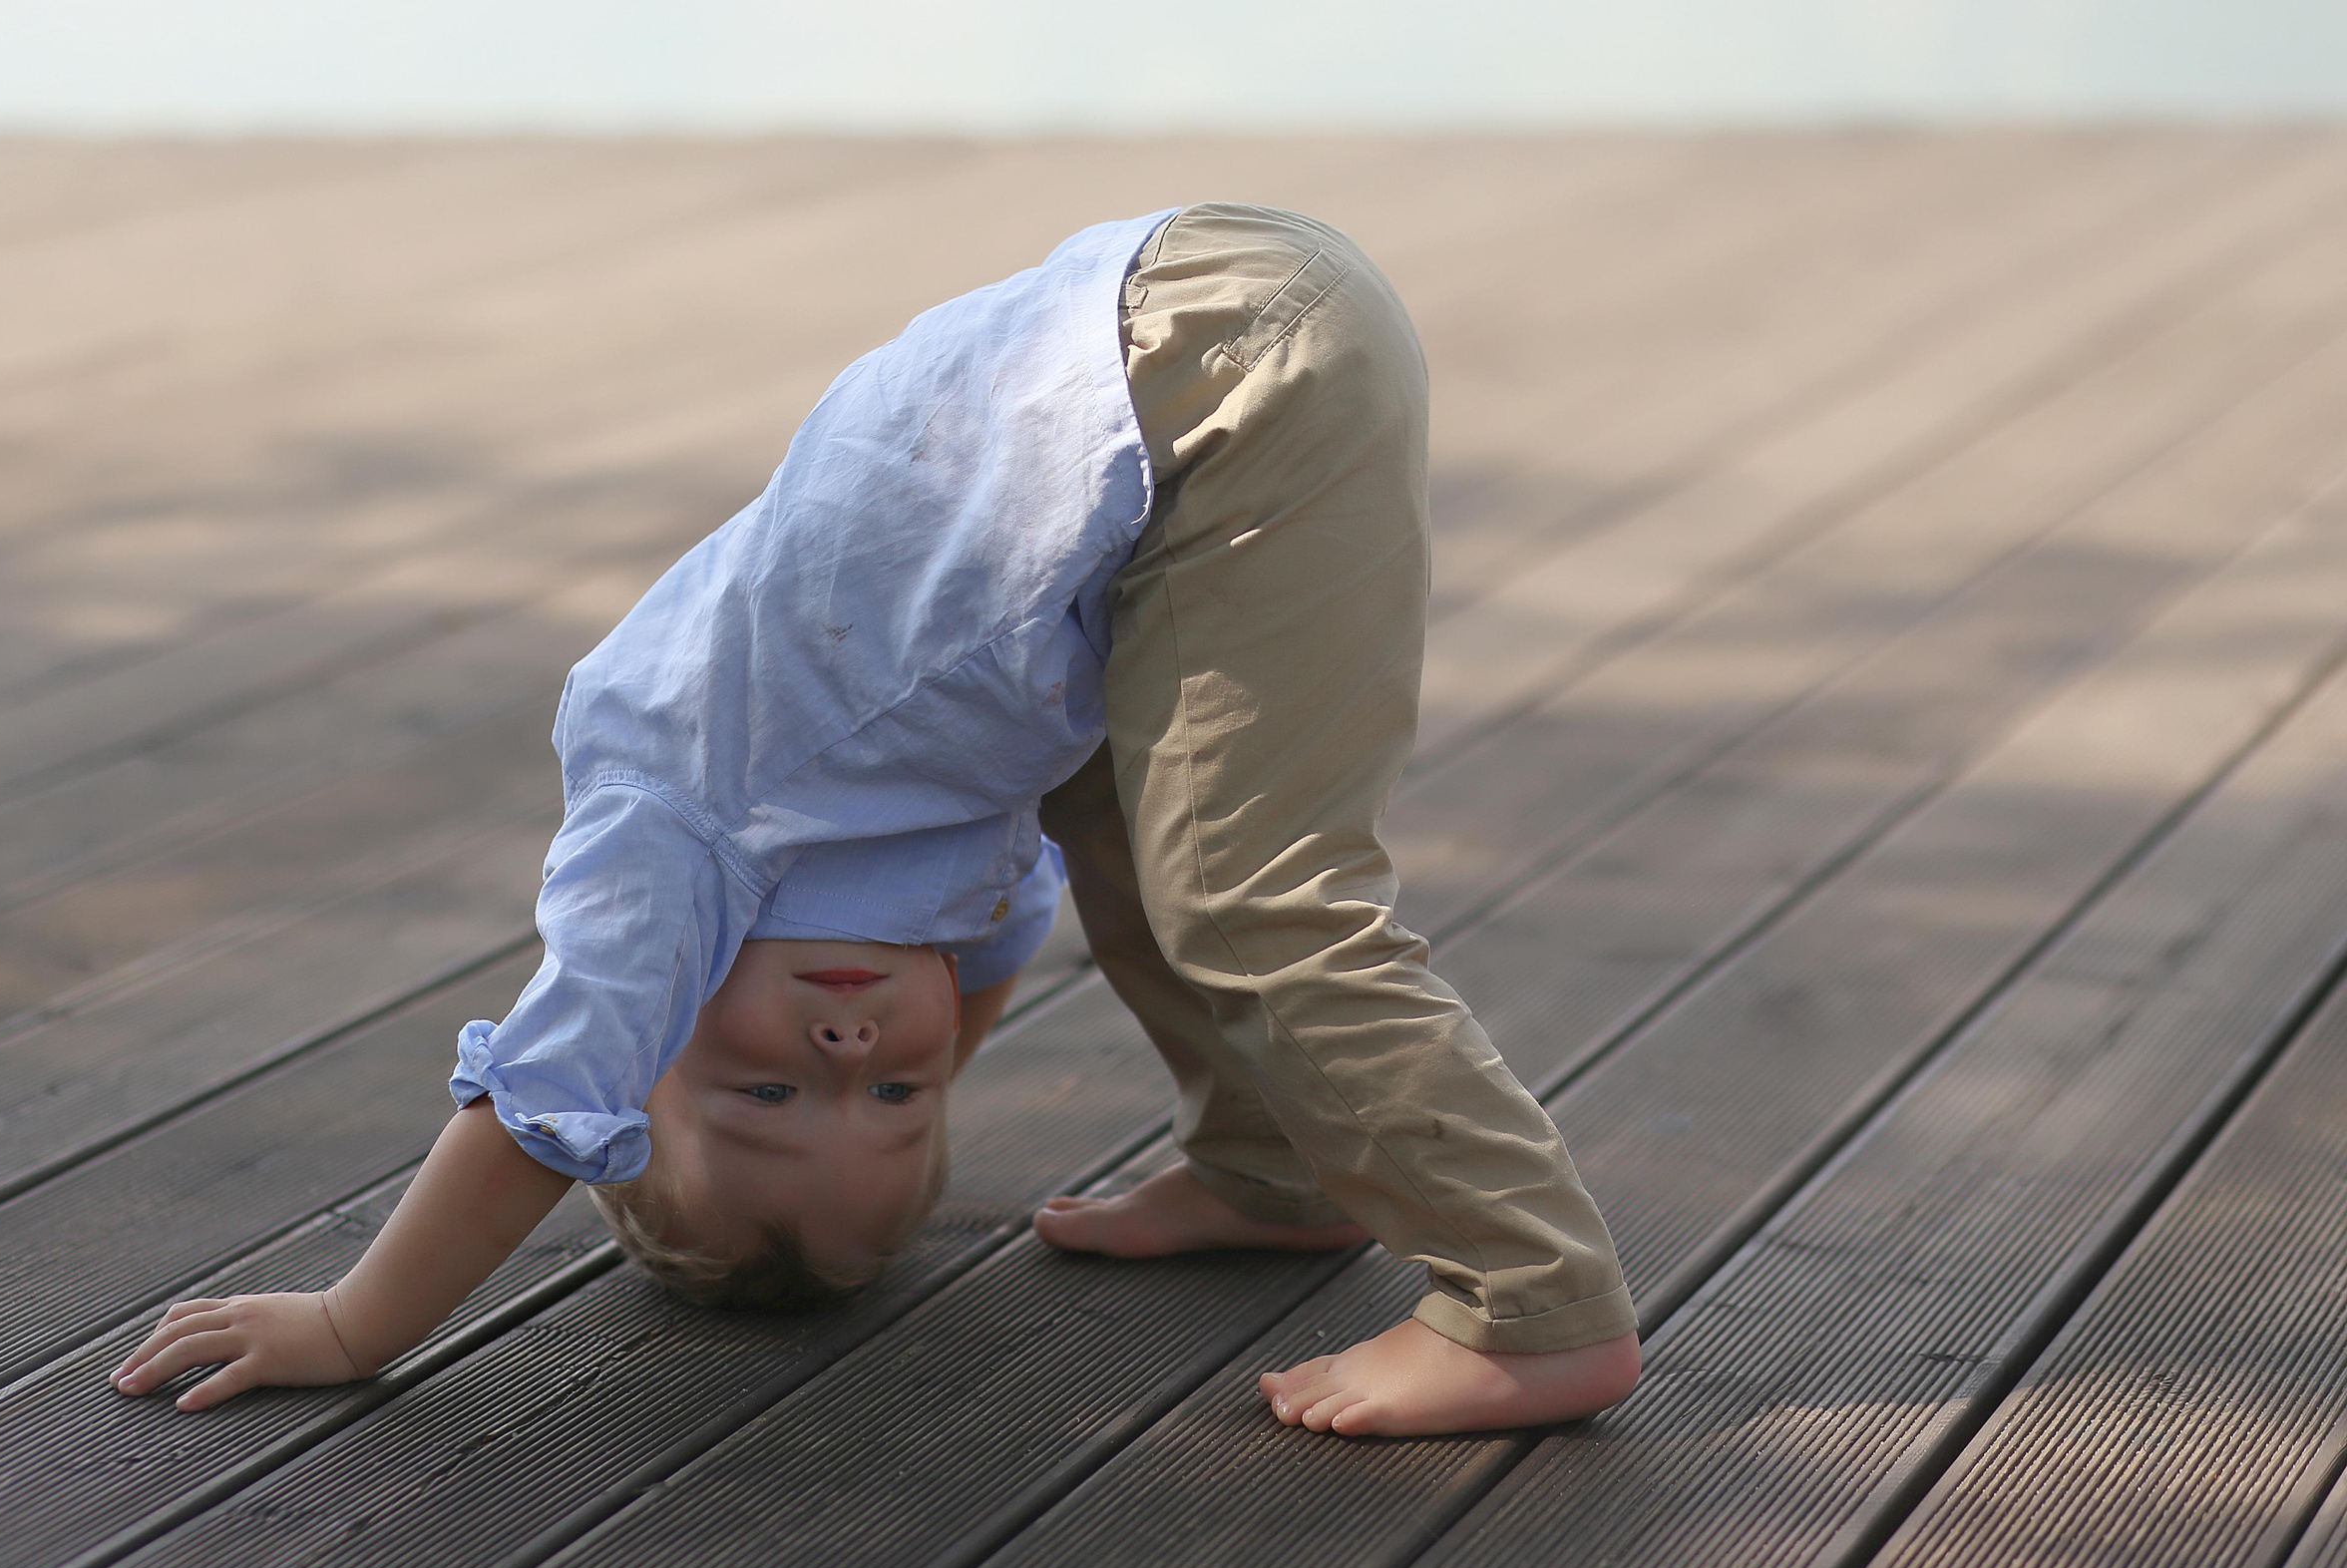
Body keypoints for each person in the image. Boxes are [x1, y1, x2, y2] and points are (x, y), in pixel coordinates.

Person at [113, 203, 1642, 1436]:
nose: (850, 1059)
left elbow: (538, 1105)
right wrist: (921, 1047)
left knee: (1254, 896)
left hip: (1210, 365)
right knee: (1122, 835)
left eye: (767, 1100)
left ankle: (1533, 1305)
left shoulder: (674, 835)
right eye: (899, 1102)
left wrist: (352, 1322)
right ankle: (1277, 1171)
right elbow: (998, 940)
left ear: (658, 1044)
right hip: (1172, 358)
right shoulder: (919, 893)